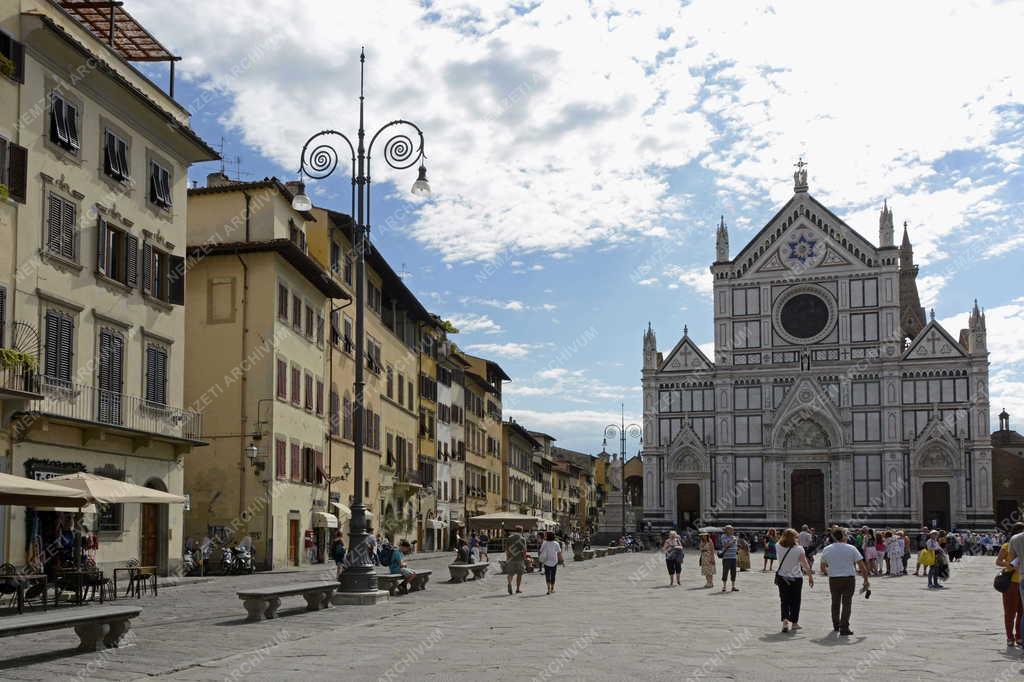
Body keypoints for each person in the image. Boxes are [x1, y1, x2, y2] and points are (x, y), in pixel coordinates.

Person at [819, 528, 870, 636]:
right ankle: (844, 627)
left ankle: (836, 625)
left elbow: (822, 568)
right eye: (846, 534)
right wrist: (866, 581)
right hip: (849, 579)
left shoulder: (827, 549)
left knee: (835, 602)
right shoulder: (851, 548)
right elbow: (862, 567)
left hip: (833, 579)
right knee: (847, 603)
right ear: (843, 536)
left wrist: (832, 572)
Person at [774, 528, 814, 633]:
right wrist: (810, 575)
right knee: (796, 600)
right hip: (796, 577)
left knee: (784, 600)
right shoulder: (799, 549)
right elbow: (804, 564)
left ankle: (785, 622)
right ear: (794, 538)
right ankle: (795, 623)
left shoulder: (777, 546)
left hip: (783, 577)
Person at [998, 523, 1024, 646]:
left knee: (1022, 611)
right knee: (1010, 612)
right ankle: (1010, 636)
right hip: (1011, 583)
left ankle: (1019, 636)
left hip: (1021, 581)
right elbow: (998, 561)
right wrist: (1009, 565)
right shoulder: (1007, 545)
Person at [505, 526, 528, 595]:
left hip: (511, 559)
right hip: (519, 559)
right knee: (519, 574)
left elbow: (506, 549)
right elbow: (524, 550)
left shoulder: (509, 538)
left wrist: (507, 557)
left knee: (510, 573)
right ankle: (517, 589)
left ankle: (509, 583)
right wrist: (524, 558)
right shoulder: (522, 539)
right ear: (521, 531)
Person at [720, 525, 739, 592]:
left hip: (733, 557)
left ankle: (733, 586)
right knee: (725, 572)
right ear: (726, 530)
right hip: (727, 557)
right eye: (731, 529)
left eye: (733, 529)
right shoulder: (723, 536)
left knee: (733, 572)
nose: (732, 531)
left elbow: (736, 547)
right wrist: (732, 541)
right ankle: (724, 586)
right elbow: (725, 545)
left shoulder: (734, 537)